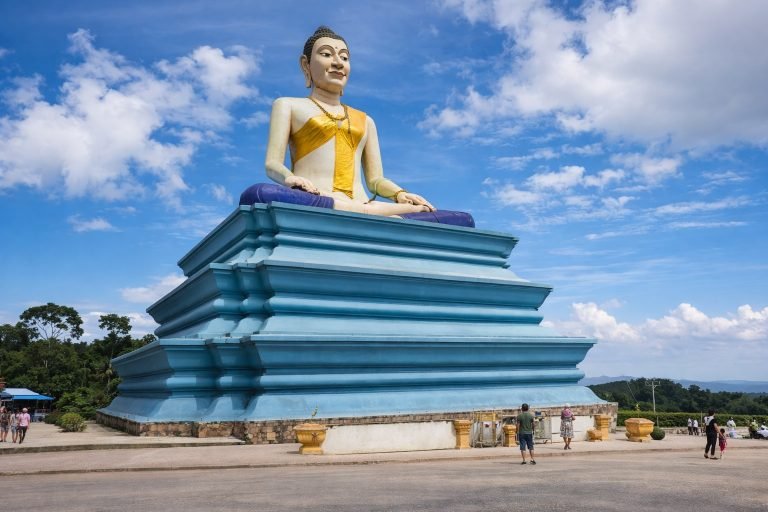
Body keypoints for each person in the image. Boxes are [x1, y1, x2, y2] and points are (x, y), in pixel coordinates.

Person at [263, 26, 437, 218]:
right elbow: (272, 163)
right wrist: (290, 178)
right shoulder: (288, 105)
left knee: (440, 215)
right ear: (306, 65)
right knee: (262, 193)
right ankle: (371, 215)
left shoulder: (366, 120)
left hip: (362, 202)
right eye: (327, 54)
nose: (338, 63)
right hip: (316, 197)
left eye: (344, 58)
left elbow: (375, 180)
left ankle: (367, 212)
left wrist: (400, 194)